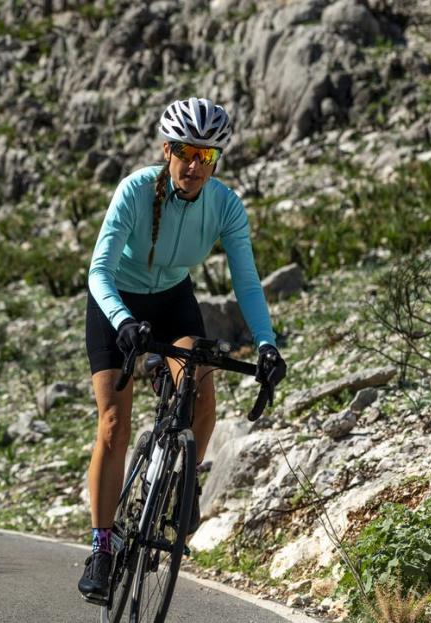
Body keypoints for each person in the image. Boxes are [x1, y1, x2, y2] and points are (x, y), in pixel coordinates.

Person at [76, 97, 287, 602]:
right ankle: (102, 549)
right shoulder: (133, 191)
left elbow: (248, 283)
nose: (196, 166)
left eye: (208, 156)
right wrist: (124, 322)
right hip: (116, 302)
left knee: (201, 382)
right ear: (167, 150)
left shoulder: (226, 206)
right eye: (188, 152)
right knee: (114, 425)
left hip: (172, 298)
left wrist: (266, 344)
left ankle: (184, 483)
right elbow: (98, 271)